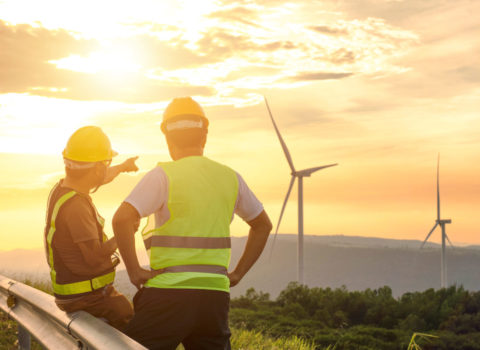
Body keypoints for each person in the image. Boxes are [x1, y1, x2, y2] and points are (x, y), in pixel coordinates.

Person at [112, 96, 272, 349]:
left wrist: (133, 271)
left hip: (168, 293)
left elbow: (122, 219)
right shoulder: (231, 177)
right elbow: (263, 225)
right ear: (204, 136)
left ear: (167, 138)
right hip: (214, 297)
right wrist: (238, 273)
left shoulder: (162, 175)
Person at [44, 125, 137, 330]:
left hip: (70, 294)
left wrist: (121, 167)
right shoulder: (76, 207)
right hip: (87, 298)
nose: (106, 168)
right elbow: (94, 258)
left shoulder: (62, 189)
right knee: (128, 315)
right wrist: (125, 233)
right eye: (105, 163)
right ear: (95, 168)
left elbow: (100, 176)